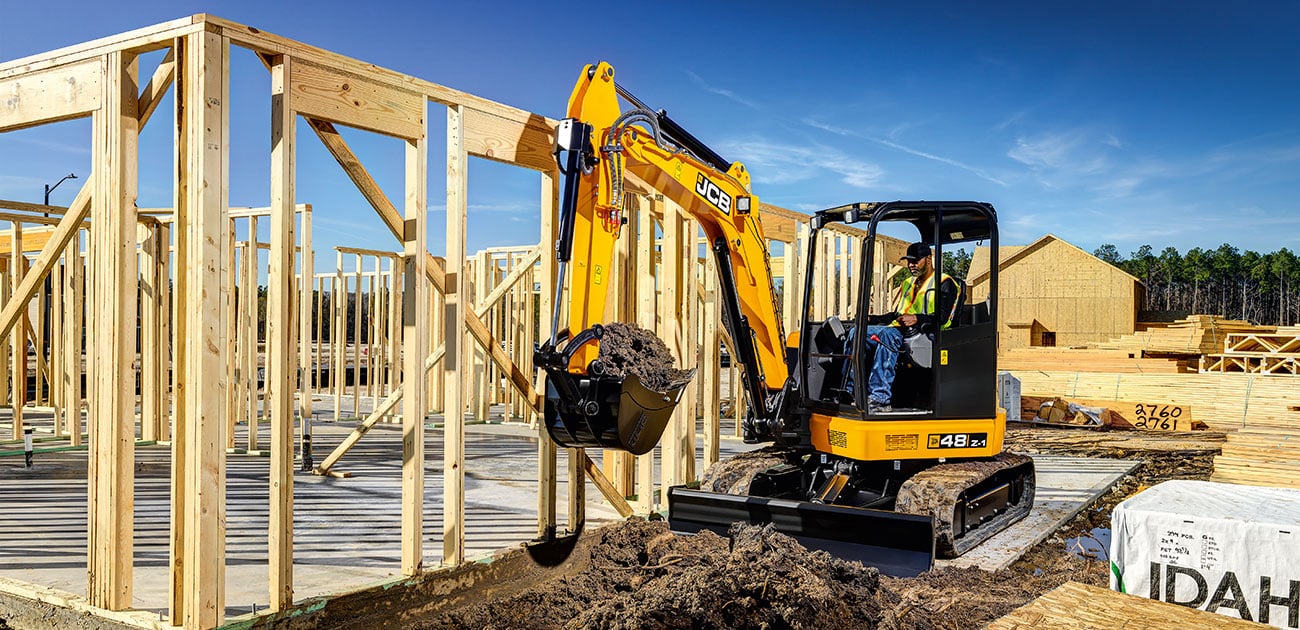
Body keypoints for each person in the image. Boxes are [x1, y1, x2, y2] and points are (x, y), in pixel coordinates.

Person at [851, 242, 962, 413]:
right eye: (909, 261)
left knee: (888, 336)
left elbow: (943, 318)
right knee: (856, 333)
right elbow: (897, 314)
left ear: (929, 259)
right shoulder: (908, 283)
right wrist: (871, 319)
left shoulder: (945, 282)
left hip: (929, 334)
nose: (911, 265)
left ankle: (880, 399)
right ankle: (851, 391)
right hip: (901, 330)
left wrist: (917, 318)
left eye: (915, 261)